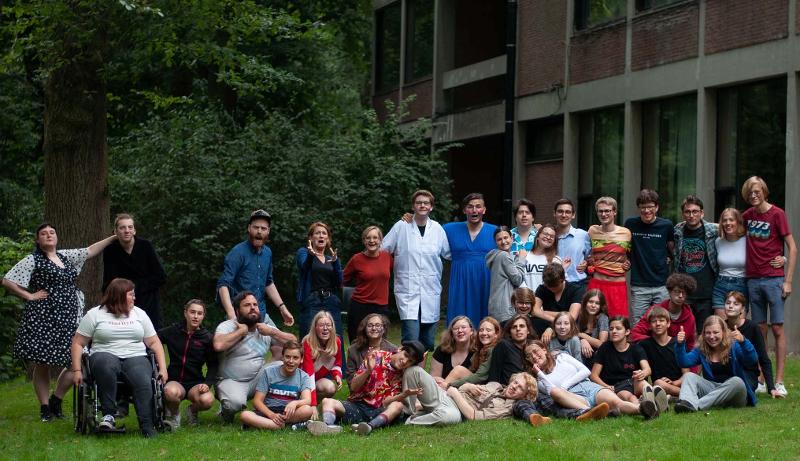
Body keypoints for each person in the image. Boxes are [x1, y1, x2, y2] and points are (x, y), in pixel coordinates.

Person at [3, 223, 116, 422]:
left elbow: (90, 251)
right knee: (43, 362)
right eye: (43, 234)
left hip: (69, 317)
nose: (48, 235)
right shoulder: (33, 259)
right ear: (38, 240)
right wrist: (29, 296)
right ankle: (45, 408)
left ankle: (56, 399)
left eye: (52, 232)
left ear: (56, 237)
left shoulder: (65, 256)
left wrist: (113, 238)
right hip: (43, 317)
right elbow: (7, 280)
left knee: (76, 360)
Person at [70, 278, 168, 437]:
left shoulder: (139, 314)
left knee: (142, 378)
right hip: (104, 353)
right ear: (119, 296)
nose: (134, 298)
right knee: (105, 366)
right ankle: (109, 415)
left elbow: (154, 342)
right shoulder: (95, 314)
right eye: (131, 294)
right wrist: (76, 370)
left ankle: (147, 424)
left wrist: (162, 368)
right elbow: (78, 343)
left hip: (135, 355)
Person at [741, 176, 797, 397]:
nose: (753, 195)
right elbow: (727, 225)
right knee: (760, 330)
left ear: (764, 191)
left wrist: (788, 280)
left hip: (774, 279)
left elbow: (792, 247)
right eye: (750, 193)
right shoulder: (747, 216)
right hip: (753, 280)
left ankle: (780, 381)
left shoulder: (777, 214)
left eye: (757, 191)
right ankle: (762, 379)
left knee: (777, 329)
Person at [216, 209, 294, 360]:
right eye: (256, 227)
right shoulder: (237, 252)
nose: (259, 231)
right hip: (241, 316)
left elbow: (268, 283)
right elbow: (223, 284)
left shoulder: (267, 253)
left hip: (261, 312)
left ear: (268, 231)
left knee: (282, 348)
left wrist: (282, 308)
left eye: (263, 228)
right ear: (249, 228)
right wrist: (232, 315)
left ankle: (264, 375)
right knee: (237, 357)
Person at [382, 190, 450, 351]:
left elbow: (449, 254)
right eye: (419, 202)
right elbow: (383, 249)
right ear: (413, 206)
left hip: (430, 290)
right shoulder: (401, 226)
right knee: (411, 340)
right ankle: (407, 367)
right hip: (407, 290)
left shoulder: (437, 229)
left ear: (431, 207)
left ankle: (421, 368)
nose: (422, 205)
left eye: (426, 203)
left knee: (428, 342)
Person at [213, 291, 296, 423]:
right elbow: (218, 345)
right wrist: (241, 331)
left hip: (257, 380)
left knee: (281, 366)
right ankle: (226, 413)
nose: (252, 308)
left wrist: (272, 332)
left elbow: (294, 343)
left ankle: (272, 407)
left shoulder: (265, 328)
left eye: (255, 305)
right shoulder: (228, 326)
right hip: (231, 380)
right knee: (234, 404)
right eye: (247, 305)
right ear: (237, 311)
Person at [525, 340, 658, 419]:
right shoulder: (540, 380)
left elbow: (585, 371)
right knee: (556, 392)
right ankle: (590, 411)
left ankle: (641, 409)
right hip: (574, 397)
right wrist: (540, 374)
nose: (534, 357)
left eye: (536, 352)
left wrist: (565, 384)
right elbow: (554, 392)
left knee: (616, 402)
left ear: (544, 349)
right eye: (530, 356)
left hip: (589, 387)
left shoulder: (562, 357)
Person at [309, 344, 413, 436]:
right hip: (357, 406)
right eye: (405, 355)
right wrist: (368, 371)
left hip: (379, 411)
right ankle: (327, 427)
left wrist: (403, 395)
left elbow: (386, 402)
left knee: (398, 405)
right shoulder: (376, 356)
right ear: (400, 349)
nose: (405, 361)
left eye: (410, 361)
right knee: (327, 401)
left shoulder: (404, 374)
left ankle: (369, 427)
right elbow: (354, 387)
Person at [674, 316, 758, 412]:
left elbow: (752, 360)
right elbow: (684, 362)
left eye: (715, 332)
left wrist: (743, 341)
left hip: (735, 394)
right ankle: (685, 402)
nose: (711, 336)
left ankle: (695, 405)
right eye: (708, 333)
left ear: (723, 332)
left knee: (737, 381)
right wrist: (680, 344)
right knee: (688, 376)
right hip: (713, 390)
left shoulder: (734, 346)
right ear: (703, 334)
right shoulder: (702, 350)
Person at [158, 299, 217, 428]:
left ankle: (192, 410)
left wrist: (207, 384)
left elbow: (213, 364)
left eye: (199, 313)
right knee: (169, 392)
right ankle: (174, 414)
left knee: (207, 400)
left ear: (203, 316)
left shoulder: (207, 338)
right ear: (185, 313)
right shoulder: (173, 331)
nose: (196, 316)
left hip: (195, 383)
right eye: (192, 312)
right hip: (174, 380)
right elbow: (154, 340)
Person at [102, 213, 167, 329]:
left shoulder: (145, 246)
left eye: (130, 227)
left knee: (151, 335)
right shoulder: (110, 251)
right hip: (122, 303)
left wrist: (134, 288)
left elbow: (160, 276)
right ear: (115, 232)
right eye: (122, 228)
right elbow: (109, 281)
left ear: (134, 231)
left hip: (149, 302)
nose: (127, 231)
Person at [444, 192, 497, 327]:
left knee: (484, 321)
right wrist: (412, 219)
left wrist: (535, 228)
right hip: (459, 282)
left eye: (478, 206)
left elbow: (511, 242)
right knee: (458, 319)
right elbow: (428, 228)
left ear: (484, 210)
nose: (474, 210)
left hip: (484, 282)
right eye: (470, 206)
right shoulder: (449, 229)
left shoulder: (495, 231)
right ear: (464, 210)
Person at [624, 189, 674, 324]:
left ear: (657, 207)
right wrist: (626, 260)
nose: (646, 211)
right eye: (643, 207)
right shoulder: (630, 224)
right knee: (638, 324)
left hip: (661, 285)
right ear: (638, 208)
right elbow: (624, 247)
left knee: (661, 323)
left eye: (650, 207)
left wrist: (669, 257)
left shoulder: (666, 225)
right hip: (639, 285)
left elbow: (672, 249)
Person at [240, 341, 314, 430]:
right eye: (287, 357)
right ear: (282, 357)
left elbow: (307, 400)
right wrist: (271, 415)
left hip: (288, 414)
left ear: (301, 359)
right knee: (245, 415)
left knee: (307, 410)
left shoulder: (304, 377)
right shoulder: (268, 372)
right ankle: (283, 425)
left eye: (295, 358)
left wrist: (295, 403)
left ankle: (270, 425)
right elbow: (257, 401)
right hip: (267, 412)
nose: (291, 361)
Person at [722, 291, 782, 399]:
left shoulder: (752, 327)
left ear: (742, 309)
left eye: (736, 304)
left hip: (747, 374)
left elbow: (764, 359)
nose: (730, 306)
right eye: (728, 303)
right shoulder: (720, 327)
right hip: (726, 373)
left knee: (740, 392)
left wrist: (771, 388)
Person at [673, 195, 718, 333]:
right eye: (687, 212)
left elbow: (735, 231)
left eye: (695, 211)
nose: (691, 215)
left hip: (706, 293)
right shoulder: (677, 231)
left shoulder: (713, 230)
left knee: (704, 332)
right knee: (684, 332)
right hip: (684, 293)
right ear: (683, 214)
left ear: (702, 213)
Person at [590, 317, 655, 407]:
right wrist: (606, 386)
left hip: (633, 382)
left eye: (618, 328)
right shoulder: (604, 348)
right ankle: (641, 406)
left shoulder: (636, 348)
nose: (614, 331)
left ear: (627, 331)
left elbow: (647, 369)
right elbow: (594, 375)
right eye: (611, 329)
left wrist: (642, 373)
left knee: (643, 384)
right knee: (629, 396)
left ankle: (653, 399)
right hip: (616, 387)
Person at [343, 225, 393, 343]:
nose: (372, 241)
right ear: (364, 241)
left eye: (375, 237)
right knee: (357, 343)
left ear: (380, 240)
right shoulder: (356, 259)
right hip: (360, 306)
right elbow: (342, 279)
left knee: (380, 344)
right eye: (368, 238)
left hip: (381, 307)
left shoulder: (387, 257)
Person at [296, 221, 344, 340]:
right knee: (309, 338)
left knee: (336, 337)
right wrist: (311, 255)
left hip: (331, 300)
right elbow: (304, 267)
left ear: (328, 239)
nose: (321, 235)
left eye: (324, 233)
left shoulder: (331, 258)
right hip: (312, 300)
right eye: (317, 233)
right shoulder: (303, 253)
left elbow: (340, 282)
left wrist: (336, 263)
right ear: (311, 238)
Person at [399, 341, 463, 426]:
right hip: (444, 394)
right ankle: (407, 413)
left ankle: (410, 420)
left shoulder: (477, 354)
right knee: (413, 371)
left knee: (449, 417)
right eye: (405, 355)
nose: (404, 361)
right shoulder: (443, 349)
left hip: (455, 401)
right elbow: (434, 376)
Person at [587, 197, 632, 318]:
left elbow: (631, 257)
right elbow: (587, 253)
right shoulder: (592, 231)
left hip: (617, 285)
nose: (604, 214)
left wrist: (628, 264)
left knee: (618, 321)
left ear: (614, 212)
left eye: (607, 211)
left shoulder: (626, 233)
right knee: (592, 321)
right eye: (600, 211)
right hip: (597, 283)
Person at [630, 273, 697, 352]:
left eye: (684, 293)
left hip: (676, 355)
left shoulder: (689, 317)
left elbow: (690, 345)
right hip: (654, 352)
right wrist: (655, 342)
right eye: (677, 291)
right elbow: (635, 334)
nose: (680, 296)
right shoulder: (655, 310)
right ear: (669, 291)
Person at [637, 307, 688, 397]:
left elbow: (686, 374)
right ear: (649, 325)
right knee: (658, 383)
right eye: (654, 321)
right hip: (657, 385)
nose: (658, 324)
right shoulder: (644, 345)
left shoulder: (677, 343)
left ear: (668, 323)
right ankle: (679, 395)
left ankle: (684, 394)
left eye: (661, 320)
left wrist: (674, 383)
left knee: (659, 384)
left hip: (677, 384)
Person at [446, 372, 538, 421]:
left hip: (453, 407)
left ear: (524, 397)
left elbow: (473, 416)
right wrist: (467, 386)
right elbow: (462, 389)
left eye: (520, 388)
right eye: (515, 382)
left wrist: (454, 393)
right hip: (448, 396)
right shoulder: (495, 385)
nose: (514, 386)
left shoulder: (507, 408)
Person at [445, 317, 501, 388]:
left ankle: (442, 391)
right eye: (481, 330)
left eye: (488, 330)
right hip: (480, 383)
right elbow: (472, 371)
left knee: (458, 370)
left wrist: (450, 384)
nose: (484, 333)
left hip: (489, 386)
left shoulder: (494, 349)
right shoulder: (481, 349)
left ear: (496, 334)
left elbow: (480, 377)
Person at [301, 311, 343, 405]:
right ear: (315, 327)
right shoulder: (308, 342)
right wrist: (312, 404)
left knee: (330, 388)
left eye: (328, 325)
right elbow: (309, 374)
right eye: (321, 325)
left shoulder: (336, 342)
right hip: (302, 380)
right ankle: (308, 402)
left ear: (332, 327)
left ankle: (316, 403)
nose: (325, 328)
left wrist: (337, 375)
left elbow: (337, 363)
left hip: (317, 380)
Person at [344, 313, 397, 387]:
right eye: (370, 325)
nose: (374, 328)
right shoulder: (353, 350)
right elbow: (351, 384)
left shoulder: (393, 350)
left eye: (378, 325)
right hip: (361, 391)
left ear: (384, 329)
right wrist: (368, 371)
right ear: (364, 329)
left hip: (386, 391)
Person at [486, 226, 525, 324]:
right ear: (495, 242)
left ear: (512, 238)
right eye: (499, 239)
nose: (503, 242)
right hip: (505, 309)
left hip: (497, 308)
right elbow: (517, 280)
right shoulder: (503, 256)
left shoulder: (497, 255)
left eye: (506, 238)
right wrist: (521, 259)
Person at [553, 198, 591, 295]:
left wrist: (586, 263)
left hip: (578, 285)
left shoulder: (583, 235)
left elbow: (591, 258)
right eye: (560, 211)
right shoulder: (548, 236)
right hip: (553, 285)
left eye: (568, 212)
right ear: (554, 214)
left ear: (573, 215)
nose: (564, 215)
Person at [532, 263, 582, 336]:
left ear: (562, 279)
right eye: (549, 286)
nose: (551, 289)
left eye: (555, 286)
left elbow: (572, 317)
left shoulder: (575, 290)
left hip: (568, 329)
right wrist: (555, 321)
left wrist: (542, 312)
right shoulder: (542, 288)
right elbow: (534, 311)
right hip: (547, 326)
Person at [487, 314, 536, 385]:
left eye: (522, 326)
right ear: (510, 332)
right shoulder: (503, 345)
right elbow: (494, 375)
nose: (518, 329)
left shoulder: (534, 348)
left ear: (528, 330)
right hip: (506, 389)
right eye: (514, 327)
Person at [430, 316, 475, 383]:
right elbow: (434, 377)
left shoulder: (478, 350)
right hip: (444, 387)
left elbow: (480, 379)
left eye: (463, 327)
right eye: (456, 328)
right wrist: (437, 379)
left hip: (469, 387)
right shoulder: (441, 350)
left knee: (458, 370)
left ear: (471, 331)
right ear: (451, 333)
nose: (460, 330)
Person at [519, 223, 563, 292]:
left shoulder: (556, 260)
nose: (548, 237)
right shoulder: (524, 256)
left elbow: (561, 284)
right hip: (527, 297)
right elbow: (518, 279)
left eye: (552, 236)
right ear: (538, 236)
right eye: (545, 234)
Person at [575, 289, 609, 366]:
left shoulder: (603, 318)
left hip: (596, 358)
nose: (593, 305)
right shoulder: (579, 315)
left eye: (597, 303)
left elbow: (602, 344)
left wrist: (583, 336)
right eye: (590, 302)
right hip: (580, 354)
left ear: (601, 306)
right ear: (585, 303)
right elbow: (570, 334)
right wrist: (582, 340)